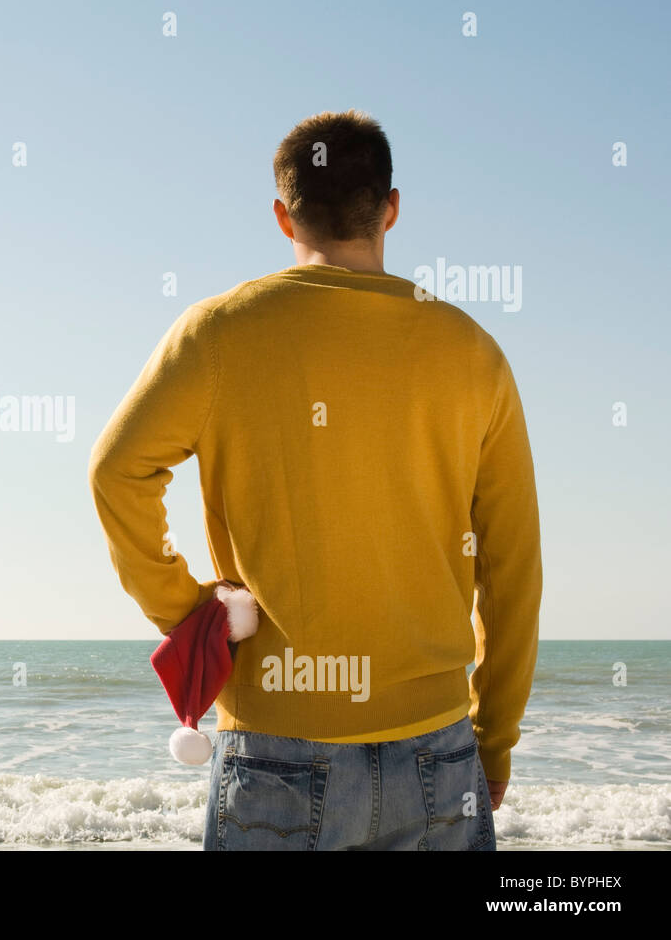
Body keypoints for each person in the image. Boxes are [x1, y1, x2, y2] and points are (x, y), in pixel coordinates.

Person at [87, 110, 542, 850]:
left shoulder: (218, 332)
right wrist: (495, 737)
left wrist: (187, 608)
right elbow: (513, 564)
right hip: (438, 745)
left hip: (274, 744)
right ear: (390, 206)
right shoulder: (473, 351)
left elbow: (116, 472)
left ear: (282, 214)